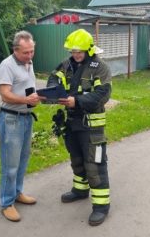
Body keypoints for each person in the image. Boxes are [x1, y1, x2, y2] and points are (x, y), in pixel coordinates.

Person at [47, 28, 112, 226]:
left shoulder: (99, 67)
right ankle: (80, 190)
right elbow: (53, 79)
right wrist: (52, 93)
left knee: (95, 164)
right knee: (76, 159)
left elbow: (103, 94)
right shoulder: (66, 65)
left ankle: (101, 206)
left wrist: (77, 101)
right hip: (71, 123)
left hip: (92, 126)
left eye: (79, 52)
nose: (75, 55)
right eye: (73, 51)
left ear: (89, 50)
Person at [0, 30, 42, 222]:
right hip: (11, 119)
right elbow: (5, 94)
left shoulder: (28, 63)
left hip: (26, 117)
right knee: (10, 164)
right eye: (26, 52)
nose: (30, 56)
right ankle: (7, 203)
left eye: (32, 51)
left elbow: (27, 86)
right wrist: (25, 99)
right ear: (16, 50)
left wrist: (38, 97)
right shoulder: (6, 66)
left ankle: (17, 193)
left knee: (23, 160)